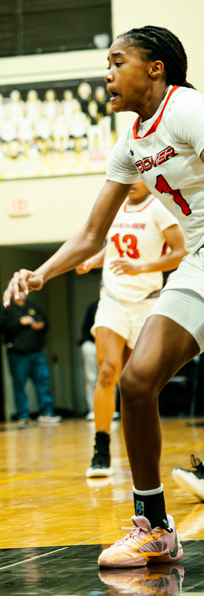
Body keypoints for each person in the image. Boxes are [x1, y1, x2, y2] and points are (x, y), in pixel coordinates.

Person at [3, 25, 204, 568]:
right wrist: (41, 274)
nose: (107, 73)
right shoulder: (132, 143)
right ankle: (155, 527)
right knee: (136, 383)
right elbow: (92, 236)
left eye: (118, 61)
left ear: (155, 68)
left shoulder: (187, 109)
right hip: (198, 262)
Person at [76, 180, 185, 476]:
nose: (133, 182)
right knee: (107, 371)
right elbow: (111, 248)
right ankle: (101, 451)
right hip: (112, 299)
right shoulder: (114, 208)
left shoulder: (160, 209)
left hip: (147, 302)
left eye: (139, 174)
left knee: (137, 382)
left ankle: (139, 452)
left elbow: (180, 252)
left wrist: (142, 267)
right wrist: (92, 262)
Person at [0, 294, 59, 426]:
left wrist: (41, 325)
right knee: (19, 384)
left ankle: (47, 412)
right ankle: (23, 414)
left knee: (44, 381)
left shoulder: (33, 307)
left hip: (36, 351)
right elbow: (1, 327)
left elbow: (45, 322)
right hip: (17, 353)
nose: (22, 293)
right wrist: (21, 322)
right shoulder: (7, 309)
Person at [79, 300, 98, 421]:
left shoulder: (118, 304)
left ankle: (110, 410)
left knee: (111, 377)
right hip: (91, 344)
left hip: (109, 345)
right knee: (91, 378)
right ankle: (92, 410)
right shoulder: (93, 306)